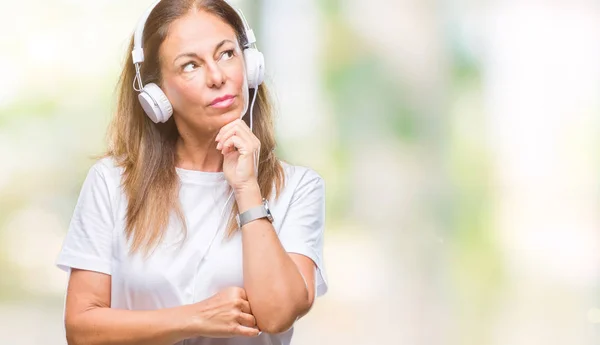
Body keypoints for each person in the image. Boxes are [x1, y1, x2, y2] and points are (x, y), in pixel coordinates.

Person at [54, 1, 328, 344]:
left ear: (251, 63)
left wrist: (246, 187)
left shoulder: (298, 187)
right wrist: (196, 318)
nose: (218, 77)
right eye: (190, 65)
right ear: (156, 94)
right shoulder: (111, 182)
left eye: (227, 53)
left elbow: (275, 315)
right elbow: (81, 330)